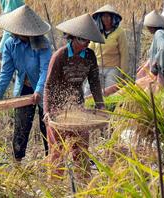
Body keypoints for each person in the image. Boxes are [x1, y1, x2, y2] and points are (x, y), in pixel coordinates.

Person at [43, 13, 105, 180]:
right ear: (75, 38)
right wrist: (47, 111)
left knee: (81, 152)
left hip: (77, 107)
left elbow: (94, 82)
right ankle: (55, 188)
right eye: (85, 40)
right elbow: (48, 86)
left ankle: (85, 188)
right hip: (58, 110)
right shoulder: (60, 56)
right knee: (58, 154)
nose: (88, 44)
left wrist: (100, 105)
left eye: (89, 41)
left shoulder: (90, 56)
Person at [0, 5, 52, 162]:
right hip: (23, 87)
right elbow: (6, 73)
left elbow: (45, 70)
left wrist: (38, 91)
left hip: (44, 88)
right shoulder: (10, 44)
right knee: (21, 126)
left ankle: (51, 160)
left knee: (47, 125)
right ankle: (17, 161)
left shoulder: (42, 43)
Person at [85, 4, 128, 95]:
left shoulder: (120, 32)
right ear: (100, 18)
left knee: (110, 93)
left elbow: (124, 53)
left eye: (108, 16)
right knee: (88, 92)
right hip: (97, 67)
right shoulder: (97, 32)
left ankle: (108, 108)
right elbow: (90, 48)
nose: (106, 19)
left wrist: (123, 72)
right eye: (104, 16)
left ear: (113, 18)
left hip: (112, 68)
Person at [143, 10, 164, 84]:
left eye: (148, 26)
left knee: (163, 93)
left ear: (152, 27)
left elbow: (163, 48)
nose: (147, 28)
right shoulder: (163, 33)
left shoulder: (158, 33)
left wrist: (157, 62)